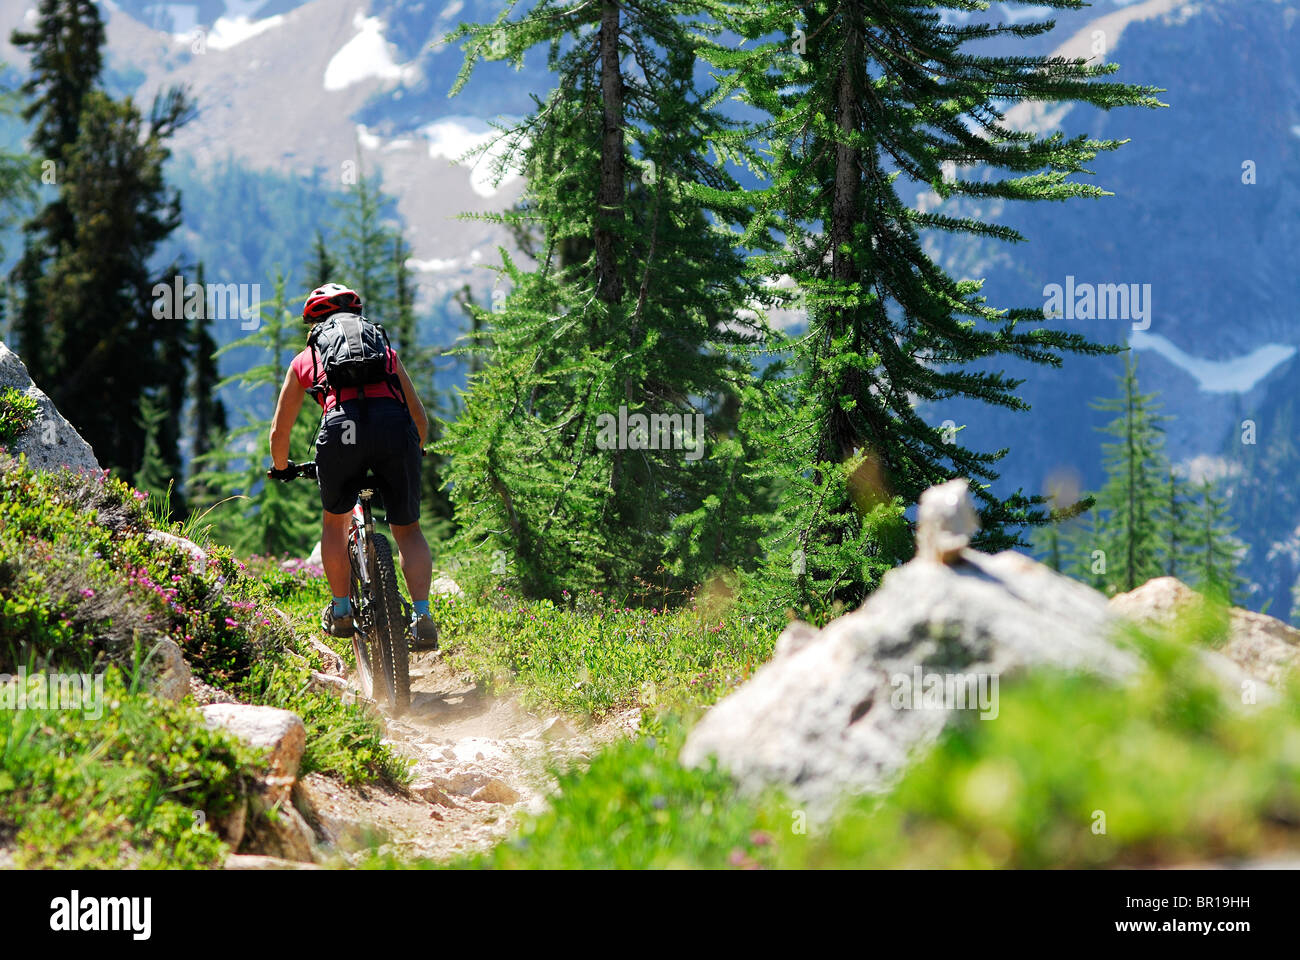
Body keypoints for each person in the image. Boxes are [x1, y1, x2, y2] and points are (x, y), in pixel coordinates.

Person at [267, 282, 439, 648]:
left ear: (314, 323)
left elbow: (280, 431)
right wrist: (414, 449)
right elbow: (419, 417)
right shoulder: (385, 353)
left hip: (341, 433)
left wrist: (282, 467)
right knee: (407, 530)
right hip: (395, 432)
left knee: (336, 523)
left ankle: (342, 610)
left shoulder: (306, 360)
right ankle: (422, 615)